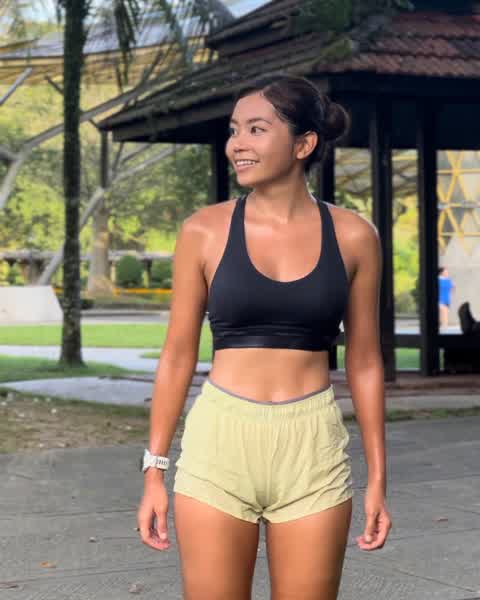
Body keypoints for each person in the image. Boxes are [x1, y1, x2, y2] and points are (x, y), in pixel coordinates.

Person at [137, 74, 392, 599]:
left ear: (303, 144)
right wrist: (154, 470)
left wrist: (377, 477)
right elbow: (178, 356)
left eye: (256, 129)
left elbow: (365, 362)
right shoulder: (203, 231)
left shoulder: (354, 236)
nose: (237, 144)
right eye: (234, 130)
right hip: (219, 442)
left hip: (313, 446)